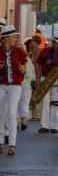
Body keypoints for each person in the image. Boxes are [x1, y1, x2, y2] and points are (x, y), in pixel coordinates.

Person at [0, 25, 27, 156]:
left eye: (15, 36)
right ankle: (0, 141)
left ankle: (12, 144)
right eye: (13, 36)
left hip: (16, 85)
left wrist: (23, 70)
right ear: (5, 38)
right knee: (0, 113)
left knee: (11, 113)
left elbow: (24, 68)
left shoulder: (20, 51)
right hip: (1, 84)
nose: (15, 39)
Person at [35, 32, 58, 133]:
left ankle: (54, 126)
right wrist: (37, 78)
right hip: (45, 78)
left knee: (56, 103)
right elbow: (38, 63)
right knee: (45, 102)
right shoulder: (45, 51)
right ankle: (44, 125)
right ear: (53, 42)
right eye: (57, 43)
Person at [16, 42, 35, 130]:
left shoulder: (27, 61)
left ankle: (23, 121)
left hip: (25, 86)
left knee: (23, 103)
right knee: (16, 104)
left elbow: (31, 74)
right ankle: (16, 122)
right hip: (18, 85)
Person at [30, 35, 43, 121]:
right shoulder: (33, 51)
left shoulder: (41, 51)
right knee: (33, 94)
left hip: (38, 73)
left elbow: (39, 63)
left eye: (32, 41)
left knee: (37, 93)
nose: (31, 42)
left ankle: (37, 114)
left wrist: (33, 61)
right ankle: (35, 113)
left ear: (35, 41)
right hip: (32, 74)